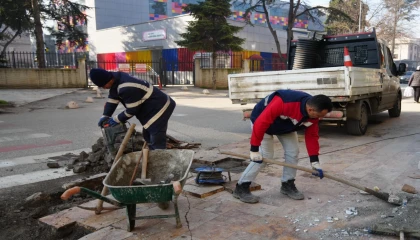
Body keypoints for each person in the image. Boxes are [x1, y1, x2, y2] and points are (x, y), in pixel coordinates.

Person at [233, 90, 333, 203]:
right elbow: (261, 123)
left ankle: (287, 184)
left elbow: (312, 136)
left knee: (293, 152)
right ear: (310, 109)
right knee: (264, 156)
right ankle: (241, 188)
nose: (321, 118)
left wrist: (314, 161)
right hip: (261, 123)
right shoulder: (284, 102)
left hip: (285, 126)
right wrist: (254, 149)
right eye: (320, 115)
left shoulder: (313, 114)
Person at [89, 68, 176, 150]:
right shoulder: (116, 78)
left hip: (160, 106)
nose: (103, 88)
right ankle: (152, 150)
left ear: (109, 80)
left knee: (155, 131)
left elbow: (132, 110)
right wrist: (105, 115)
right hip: (150, 106)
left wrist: (116, 119)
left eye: (103, 85)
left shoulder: (126, 87)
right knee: (148, 131)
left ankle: (159, 154)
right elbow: (112, 99)